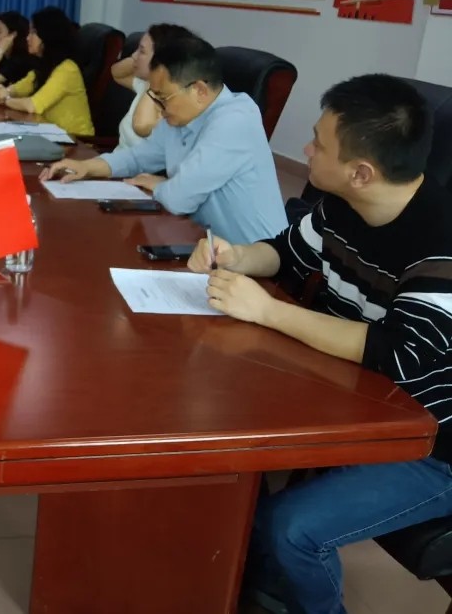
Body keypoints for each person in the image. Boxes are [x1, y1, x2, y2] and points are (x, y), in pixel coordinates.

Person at [186, 74, 452, 614]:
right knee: (211, 424)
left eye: (318, 144)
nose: (305, 150)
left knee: (291, 530)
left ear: (362, 172)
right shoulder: (342, 203)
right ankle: (244, 584)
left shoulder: (442, 245)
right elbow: (286, 252)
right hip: (349, 398)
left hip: (431, 444)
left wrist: (267, 311)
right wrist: (236, 256)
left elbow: (395, 351)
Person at [41, 34, 286, 243]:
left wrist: (160, 185)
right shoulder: (180, 116)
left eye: (163, 98)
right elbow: (139, 157)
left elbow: (180, 199)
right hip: (201, 243)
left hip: (255, 262)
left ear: (199, 90)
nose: (158, 108)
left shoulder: (235, 120)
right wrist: (87, 167)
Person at [0, 6, 95, 137]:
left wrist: (5, 99)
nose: (27, 38)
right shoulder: (44, 66)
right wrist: (5, 91)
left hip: (77, 141)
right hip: (52, 134)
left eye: (33, 33)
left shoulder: (67, 69)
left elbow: (32, 106)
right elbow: (20, 87)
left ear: (48, 36)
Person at [112, 24, 193, 149]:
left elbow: (141, 126)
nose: (133, 56)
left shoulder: (175, 101)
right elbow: (116, 73)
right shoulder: (145, 84)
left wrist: (160, 68)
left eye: (142, 51)